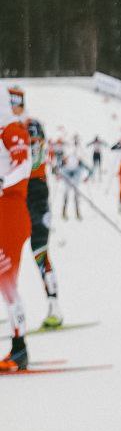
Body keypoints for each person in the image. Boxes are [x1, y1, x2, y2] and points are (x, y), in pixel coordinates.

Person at [8, 87, 63, 328]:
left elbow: (36, 158)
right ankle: (12, 305)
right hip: (13, 194)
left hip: (35, 191)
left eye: (14, 104)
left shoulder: (31, 126)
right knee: (7, 253)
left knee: (39, 249)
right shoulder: (8, 127)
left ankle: (54, 307)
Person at [1, 92, 33, 371]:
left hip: (10, 215)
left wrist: (3, 180)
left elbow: (23, 165)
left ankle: (20, 348)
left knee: (7, 281)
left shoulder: (11, 129)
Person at [60, 151, 89, 220]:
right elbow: (59, 166)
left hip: (76, 177)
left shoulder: (77, 152)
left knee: (76, 197)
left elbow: (86, 168)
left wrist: (87, 177)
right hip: (67, 176)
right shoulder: (67, 152)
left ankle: (77, 213)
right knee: (66, 196)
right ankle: (64, 212)